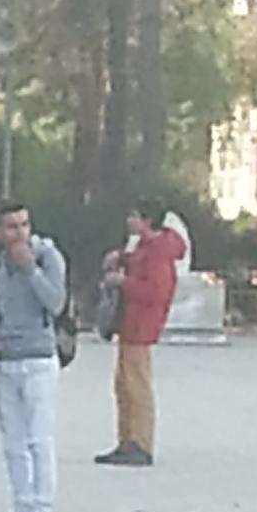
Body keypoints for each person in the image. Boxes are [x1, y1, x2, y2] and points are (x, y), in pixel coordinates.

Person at [0, 200, 68, 512]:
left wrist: (31, 269)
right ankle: (21, 506)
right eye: (11, 227)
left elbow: (56, 303)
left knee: (38, 437)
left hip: (39, 358)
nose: (19, 233)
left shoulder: (48, 258)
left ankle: (41, 510)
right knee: (13, 439)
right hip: (8, 359)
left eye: (24, 225)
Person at [96, 199, 188, 470]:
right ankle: (127, 440)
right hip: (131, 323)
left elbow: (155, 292)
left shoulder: (159, 252)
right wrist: (121, 258)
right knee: (124, 384)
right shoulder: (147, 247)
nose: (129, 220)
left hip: (141, 325)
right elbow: (138, 263)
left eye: (134, 216)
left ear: (147, 221)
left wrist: (123, 282)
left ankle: (140, 443)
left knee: (136, 385)